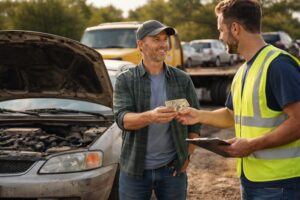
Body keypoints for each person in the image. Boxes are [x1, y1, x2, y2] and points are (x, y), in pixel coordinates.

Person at [177, 0, 300, 199]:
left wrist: (252, 145)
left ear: (235, 28)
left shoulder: (278, 65)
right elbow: (231, 115)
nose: (220, 36)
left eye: (220, 30)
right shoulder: (243, 71)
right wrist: (197, 116)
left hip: (281, 184)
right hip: (251, 180)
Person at [113, 20, 201, 200]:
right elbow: (122, 119)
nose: (163, 44)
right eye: (156, 39)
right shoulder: (125, 80)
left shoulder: (182, 79)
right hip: (134, 170)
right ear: (140, 45)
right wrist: (151, 117)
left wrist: (187, 157)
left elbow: (195, 124)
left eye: (165, 39)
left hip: (172, 169)